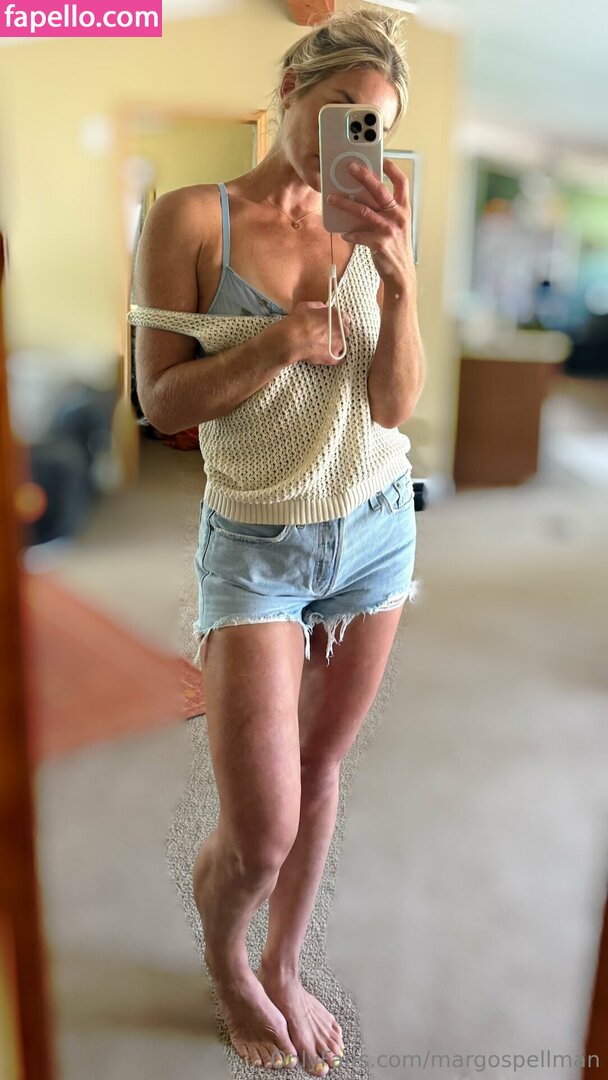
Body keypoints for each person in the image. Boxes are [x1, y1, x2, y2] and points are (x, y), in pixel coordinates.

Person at [131, 6, 424, 1075]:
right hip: (255, 545)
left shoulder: (377, 223)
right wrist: (280, 342)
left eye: (374, 125)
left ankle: (285, 964)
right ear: (292, 90)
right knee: (260, 832)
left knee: (321, 763)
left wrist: (397, 279)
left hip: (375, 532)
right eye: (341, 111)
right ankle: (230, 964)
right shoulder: (187, 219)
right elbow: (160, 403)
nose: (355, 140)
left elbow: (391, 406)